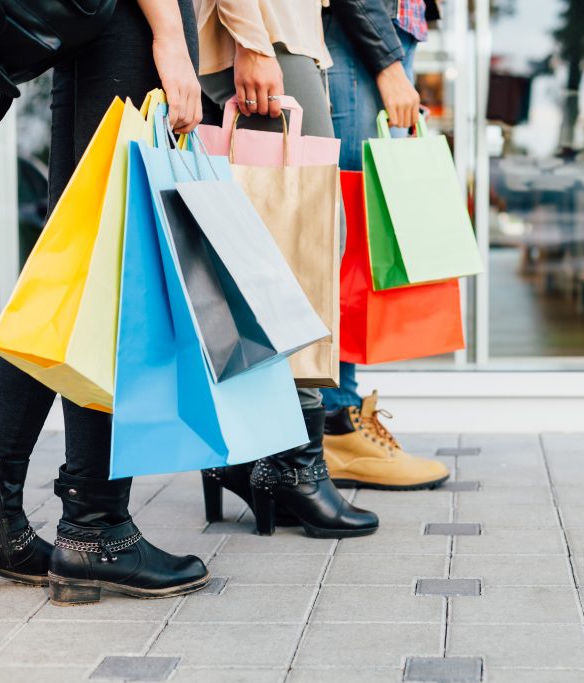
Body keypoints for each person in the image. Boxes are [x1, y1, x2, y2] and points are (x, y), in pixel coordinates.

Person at [0, 0, 210, 605]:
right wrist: (171, 37)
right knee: (111, 266)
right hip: (130, 28)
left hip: (98, 28)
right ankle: (95, 527)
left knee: (73, 262)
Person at [194, 0, 380, 537]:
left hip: (282, 34)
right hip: (268, 32)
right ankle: (294, 466)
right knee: (302, 251)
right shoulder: (260, 40)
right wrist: (253, 42)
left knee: (266, 249)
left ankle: (245, 453)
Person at [320, 0, 451, 491]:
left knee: (359, 238)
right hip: (360, 39)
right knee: (346, 240)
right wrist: (389, 64)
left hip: (383, 37)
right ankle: (337, 422)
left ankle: (339, 418)